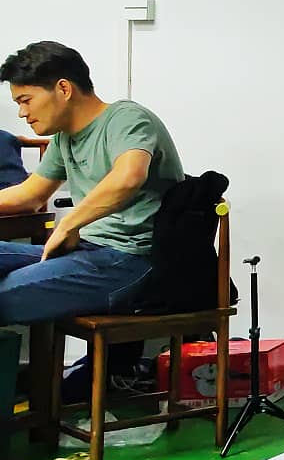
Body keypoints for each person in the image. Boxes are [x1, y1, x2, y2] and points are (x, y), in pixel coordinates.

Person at [0, 42, 186, 324]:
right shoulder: (64, 138)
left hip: (131, 260)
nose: (22, 113)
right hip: (86, 250)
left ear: (64, 89)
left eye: (26, 100)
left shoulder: (126, 118)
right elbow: (29, 195)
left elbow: (128, 177)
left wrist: (68, 224)